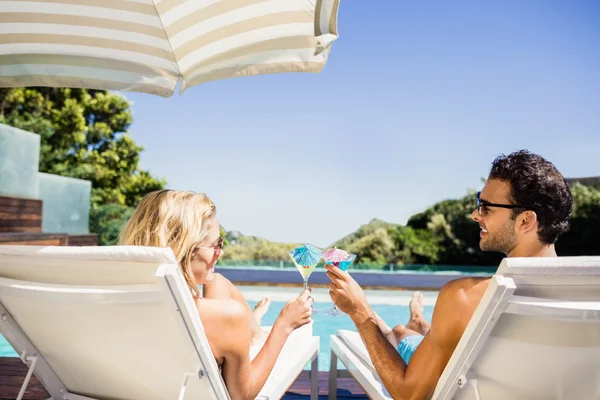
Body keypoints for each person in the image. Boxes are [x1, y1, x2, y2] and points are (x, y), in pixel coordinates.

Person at [326, 150, 573, 400]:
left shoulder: (464, 297)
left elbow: (408, 394)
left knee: (401, 333)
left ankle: (404, 322)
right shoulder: (584, 296)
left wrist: (358, 312)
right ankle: (421, 323)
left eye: (486, 207)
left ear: (525, 221)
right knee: (429, 335)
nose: (476, 215)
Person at [118, 190, 314, 400]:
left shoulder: (114, 301)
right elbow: (243, 395)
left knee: (218, 281)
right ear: (185, 248)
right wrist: (284, 325)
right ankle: (254, 332)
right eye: (216, 245)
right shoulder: (226, 316)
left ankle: (254, 330)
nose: (221, 253)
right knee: (226, 298)